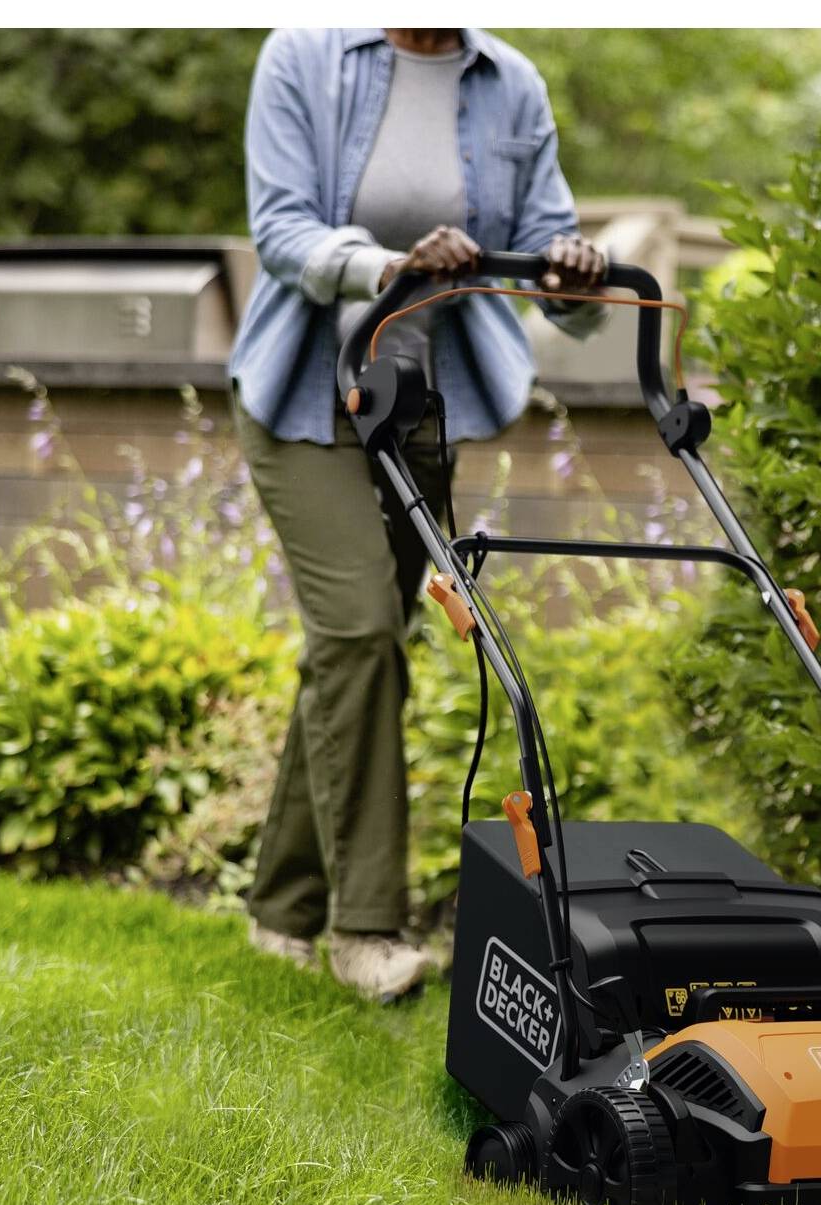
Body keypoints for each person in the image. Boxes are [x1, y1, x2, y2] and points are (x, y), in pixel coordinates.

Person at [227, 27, 608, 1001]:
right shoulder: (308, 58)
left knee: (357, 648)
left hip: (424, 407)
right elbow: (280, 232)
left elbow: (550, 260)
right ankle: (363, 930)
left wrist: (572, 275)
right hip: (305, 398)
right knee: (358, 634)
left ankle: (279, 909)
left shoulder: (509, 81)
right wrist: (391, 262)